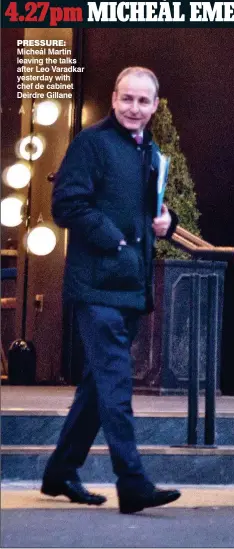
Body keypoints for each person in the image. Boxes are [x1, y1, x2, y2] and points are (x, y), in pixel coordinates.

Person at [41, 67, 182, 514]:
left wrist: (169, 223)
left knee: (98, 388)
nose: (134, 108)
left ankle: (61, 471)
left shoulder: (151, 151)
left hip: (130, 286)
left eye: (143, 101)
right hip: (97, 285)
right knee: (117, 383)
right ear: (114, 97)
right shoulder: (91, 142)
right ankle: (133, 481)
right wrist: (113, 240)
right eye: (127, 99)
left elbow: (147, 211)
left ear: (154, 106)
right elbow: (65, 203)